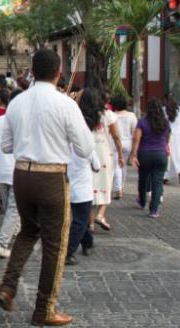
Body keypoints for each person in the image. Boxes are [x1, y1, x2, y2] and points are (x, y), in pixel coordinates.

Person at [0, 48, 94, 327]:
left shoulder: (17, 103)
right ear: (58, 73)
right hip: (51, 177)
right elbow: (85, 149)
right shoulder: (65, 104)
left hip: (22, 174)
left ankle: (8, 285)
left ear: (32, 72)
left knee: (28, 232)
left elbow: (5, 146)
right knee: (55, 244)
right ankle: (44, 308)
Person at [65, 93, 102, 265]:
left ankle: (87, 243)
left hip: (68, 185)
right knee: (80, 220)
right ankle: (68, 251)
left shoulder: (65, 142)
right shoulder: (87, 145)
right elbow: (96, 165)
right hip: (82, 188)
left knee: (82, 217)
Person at [0, 89, 21, 259]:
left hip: (2, 168)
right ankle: (3, 241)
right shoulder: (22, 121)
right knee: (14, 206)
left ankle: (14, 230)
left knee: (11, 205)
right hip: (17, 168)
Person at [130, 99, 171, 218]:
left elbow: (136, 139)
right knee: (157, 183)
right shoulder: (165, 122)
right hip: (160, 154)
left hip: (145, 154)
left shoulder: (142, 122)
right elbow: (167, 138)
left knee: (143, 179)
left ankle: (142, 201)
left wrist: (134, 155)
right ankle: (154, 210)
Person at [89, 91, 123, 232]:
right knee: (106, 183)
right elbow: (116, 136)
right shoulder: (109, 115)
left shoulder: (86, 114)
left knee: (91, 187)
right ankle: (101, 215)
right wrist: (120, 153)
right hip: (104, 152)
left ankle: (89, 223)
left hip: (90, 151)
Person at [111, 95, 136, 199]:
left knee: (116, 165)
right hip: (127, 143)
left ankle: (118, 189)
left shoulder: (111, 115)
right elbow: (135, 130)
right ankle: (122, 186)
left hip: (114, 142)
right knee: (123, 165)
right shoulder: (131, 115)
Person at [164, 96, 180, 185]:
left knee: (168, 155)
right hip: (179, 135)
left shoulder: (164, 110)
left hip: (168, 135)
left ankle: (165, 176)